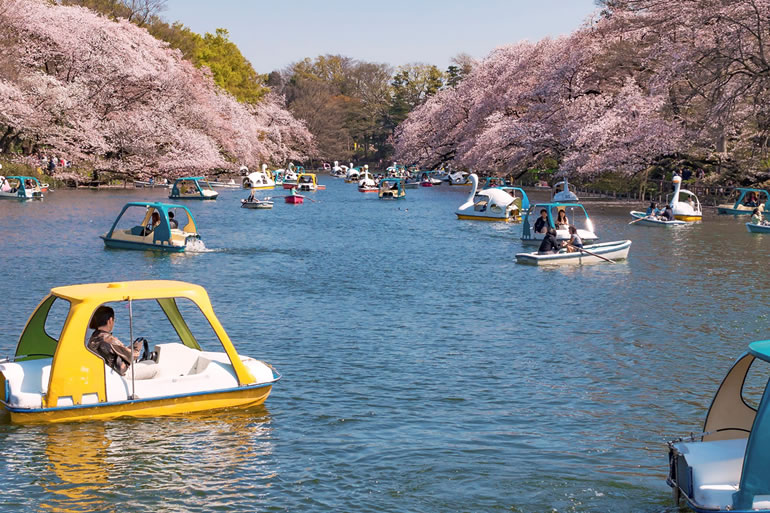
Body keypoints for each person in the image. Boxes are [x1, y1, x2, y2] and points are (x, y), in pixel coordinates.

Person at [87, 306, 157, 379]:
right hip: (119, 374)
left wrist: (129, 348)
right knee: (155, 367)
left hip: (105, 373)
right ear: (110, 320)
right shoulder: (110, 340)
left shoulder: (94, 337)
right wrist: (136, 347)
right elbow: (133, 355)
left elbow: (118, 351)